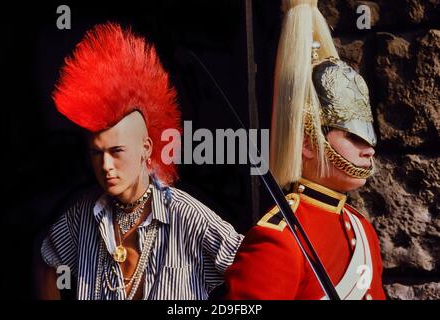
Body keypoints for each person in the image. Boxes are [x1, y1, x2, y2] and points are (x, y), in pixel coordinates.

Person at [37, 22, 243, 300]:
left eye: (116, 151)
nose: (106, 166)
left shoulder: (187, 216)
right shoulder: (82, 215)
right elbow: (46, 259)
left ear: (146, 147)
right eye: (97, 153)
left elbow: (254, 270)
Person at [224, 0, 386, 300]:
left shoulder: (361, 229)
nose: (368, 150)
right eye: (354, 137)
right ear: (307, 143)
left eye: (368, 138)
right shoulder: (279, 238)